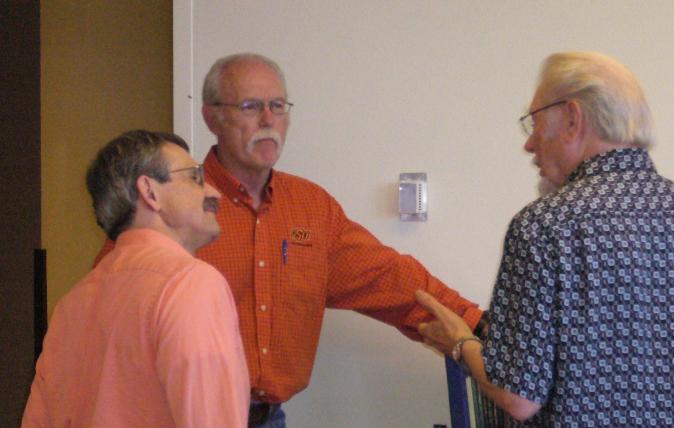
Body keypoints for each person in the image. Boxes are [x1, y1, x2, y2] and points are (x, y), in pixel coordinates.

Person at [95, 53, 484, 427]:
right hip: (176, 416)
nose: (269, 119)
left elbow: (390, 279)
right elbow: (110, 307)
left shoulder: (311, 208)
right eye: (250, 106)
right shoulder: (174, 203)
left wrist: (483, 328)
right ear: (212, 117)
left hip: (270, 418)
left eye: (278, 106)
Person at [417, 51, 674, 426]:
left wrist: (460, 343)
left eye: (534, 123)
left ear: (572, 119)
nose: (529, 145)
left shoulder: (543, 227)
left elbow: (517, 397)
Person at [23, 130, 250, 427]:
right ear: (150, 192)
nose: (214, 193)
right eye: (195, 177)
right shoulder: (191, 285)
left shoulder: (71, 305)